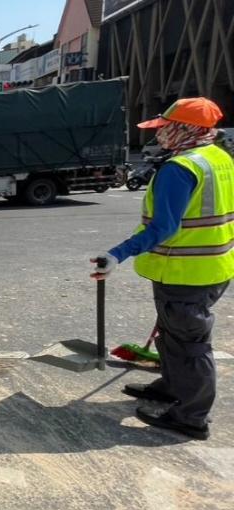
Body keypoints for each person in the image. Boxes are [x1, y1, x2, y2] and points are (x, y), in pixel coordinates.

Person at [92, 97, 233, 440]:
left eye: (166, 129)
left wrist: (118, 254)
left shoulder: (180, 169)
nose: (161, 136)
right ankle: (171, 387)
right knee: (174, 335)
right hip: (212, 267)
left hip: (186, 272)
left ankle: (190, 416)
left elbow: (164, 228)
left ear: (186, 129)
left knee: (189, 345)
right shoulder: (218, 158)